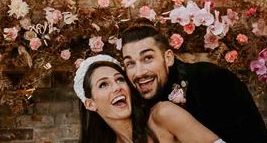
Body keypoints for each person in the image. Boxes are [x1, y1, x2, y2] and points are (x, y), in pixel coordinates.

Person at [120, 24, 267, 143]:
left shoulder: (212, 80)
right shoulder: (131, 101)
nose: (139, 72)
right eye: (130, 63)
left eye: (147, 58)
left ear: (168, 58)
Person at [75, 54, 226, 143]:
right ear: (90, 104)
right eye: (103, 85)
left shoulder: (163, 114)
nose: (116, 87)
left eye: (120, 79)